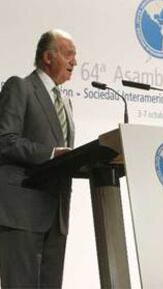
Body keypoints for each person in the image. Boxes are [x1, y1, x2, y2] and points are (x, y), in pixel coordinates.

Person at [0, 29, 77, 288]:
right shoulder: (19, 87)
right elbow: (4, 140)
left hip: (56, 215)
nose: (74, 62)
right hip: (22, 213)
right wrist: (51, 154)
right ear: (48, 56)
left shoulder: (65, 102)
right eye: (69, 55)